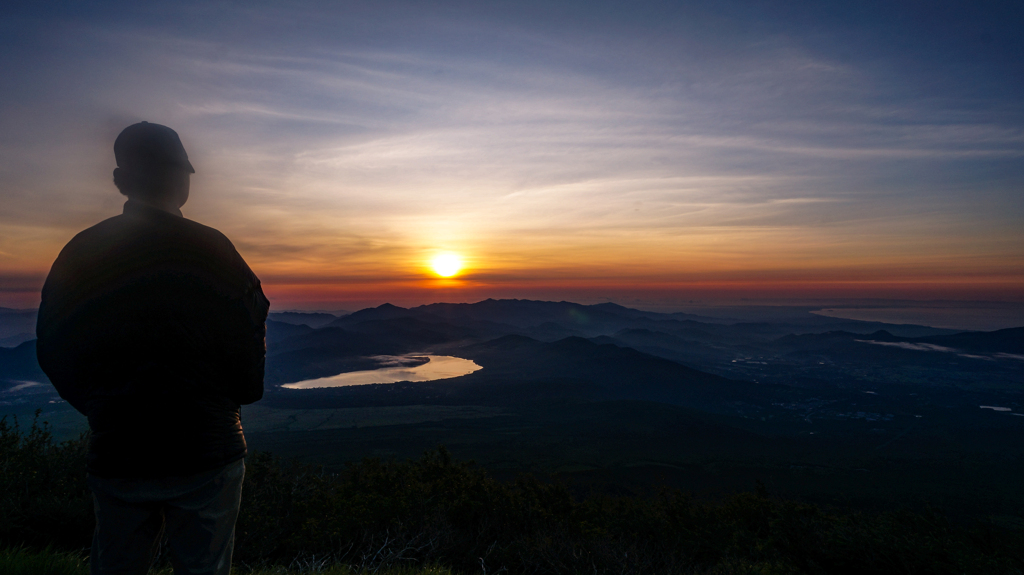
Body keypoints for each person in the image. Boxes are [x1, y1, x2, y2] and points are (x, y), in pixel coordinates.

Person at [36, 121, 270, 575]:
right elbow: (249, 335)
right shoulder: (213, 249)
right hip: (208, 449)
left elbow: (54, 348)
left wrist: (103, 407)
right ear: (182, 180)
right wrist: (228, 399)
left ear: (122, 181)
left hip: (119, 451)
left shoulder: (82, 252)